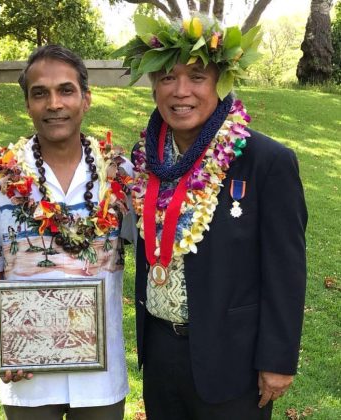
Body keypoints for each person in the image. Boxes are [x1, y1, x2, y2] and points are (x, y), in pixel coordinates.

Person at [115, 14, 307, 420]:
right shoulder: (145, 159)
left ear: (221, 83)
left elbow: (286, 269)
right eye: (167, 77)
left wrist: (278, 359)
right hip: (161, 351)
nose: (180, 91)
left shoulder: (266, 162)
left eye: (197, 77)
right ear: (153, 86)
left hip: (232, 361)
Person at [0, 45, 134, 420]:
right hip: (28, 372)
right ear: (27, 104)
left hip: (101, 373)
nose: (54, 103)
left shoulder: (121, 174)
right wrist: (3, 338)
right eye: (40, 93)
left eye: (66, 90)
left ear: (86, 99)